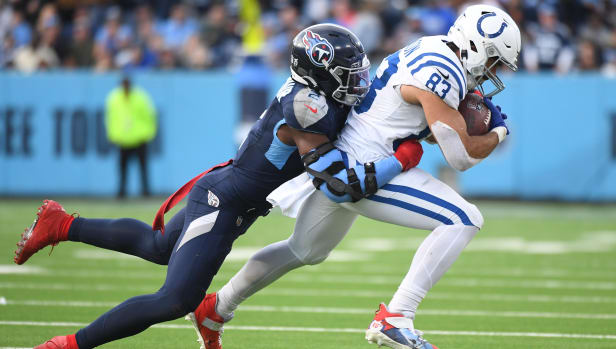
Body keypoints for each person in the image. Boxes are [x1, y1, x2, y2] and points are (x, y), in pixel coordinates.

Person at [12, 24, 424, 349]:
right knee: (175, 300)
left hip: (229, 192)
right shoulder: (308, 107)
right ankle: (68, 344)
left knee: (158, 247)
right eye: (347, 74)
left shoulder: (316, 94)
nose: (358, 81)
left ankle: (61, 225)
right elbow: (340, 183)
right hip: (223, 202)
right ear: (319, 74)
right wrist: (402, 157)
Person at [191, 4, 520, 349]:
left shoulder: (435, 48)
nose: (494, 72)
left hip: (349, 155)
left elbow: (429, 129)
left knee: (305, 249)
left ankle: (215, 308)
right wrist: (498, 132)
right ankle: (397, 316)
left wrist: (456, 125)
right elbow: (461, 156)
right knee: (464, 218)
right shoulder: (444, 69)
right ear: (475, 46)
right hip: (366, 166)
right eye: (494, 60)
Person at [105, 75, 157, 198]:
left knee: (143, 167)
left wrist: (148, 133)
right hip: (123, 139)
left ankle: (145, 191)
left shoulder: (140, 97)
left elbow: (150, 115)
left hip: (139, 138)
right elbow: (111, 119)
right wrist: (113, 135)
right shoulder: (114, 98)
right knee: (122, 168)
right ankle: (121, 191)